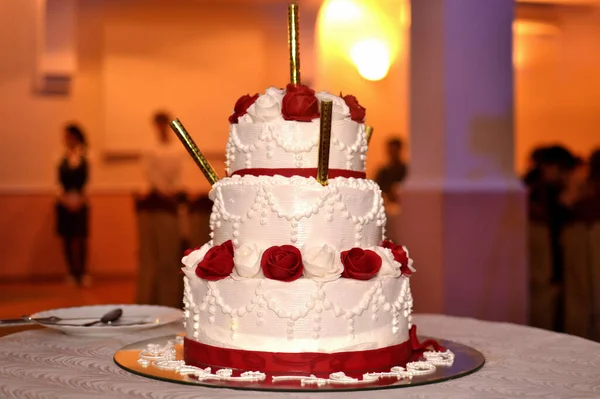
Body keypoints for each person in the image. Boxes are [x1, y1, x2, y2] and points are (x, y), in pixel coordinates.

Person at [135, 111, 186, 308]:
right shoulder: (149, 149)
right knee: (152, 257)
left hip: (171, 206)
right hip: (155, 204)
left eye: (164, 124)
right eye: (159, 124)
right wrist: (161, 190)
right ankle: (150, 299)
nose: (162, 127)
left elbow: (179, 174)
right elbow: (150, 173)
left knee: (169, 256)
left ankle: (169, 299)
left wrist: (172, 192)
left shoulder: (176, 149)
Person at [55, 124, 90, 287]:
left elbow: (90, 181)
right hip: (64, 202)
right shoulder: (59, 157)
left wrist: (81, 199)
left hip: (82, 202)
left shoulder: (86, 156)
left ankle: (82, 272)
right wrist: (65, 199)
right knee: (67, 238)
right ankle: (70, 271)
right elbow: (56, 182)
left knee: (81, 237)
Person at [375, 138, 408, 203]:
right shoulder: (383, 172)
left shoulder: (406, 170)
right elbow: (376, 189)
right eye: (391, 151)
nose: (392, 153)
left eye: (394, 151)